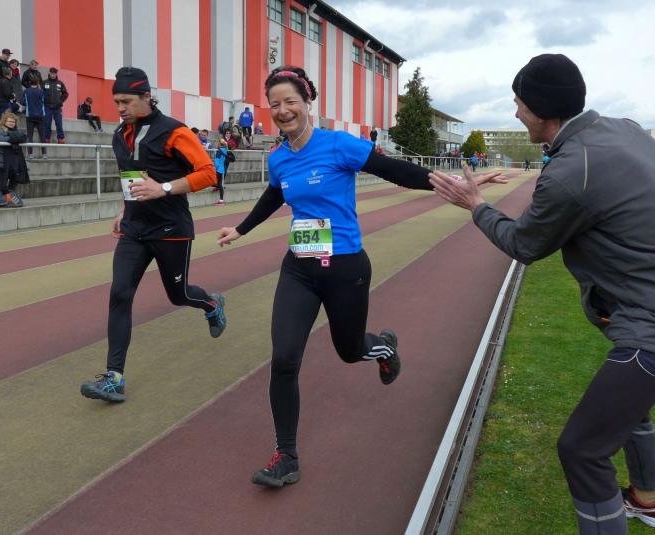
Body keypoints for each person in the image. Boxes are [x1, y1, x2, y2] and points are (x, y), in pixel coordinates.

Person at [429, 53, 655, 535]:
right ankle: (650, 499)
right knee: (626, 408)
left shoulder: (567, 172)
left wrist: (474, 204)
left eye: (519, 104)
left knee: (582, 449)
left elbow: (524, 244)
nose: (516, 113)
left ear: (542, 110)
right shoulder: (627, 129)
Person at [216, 65, 505, 489]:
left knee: (349, 351)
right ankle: (286, 456)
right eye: (274, 104)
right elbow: (274, 195)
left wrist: (458, 185)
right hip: (299, 268)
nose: (282, 110)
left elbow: (397, 170)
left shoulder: (339, 145)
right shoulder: (278, 158)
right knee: (284, 359)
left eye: (290, 101)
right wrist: (241, 229)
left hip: (345, 269)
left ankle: (384, 347)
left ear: (307, 102)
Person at [80, 66, 226, 403]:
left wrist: (163, 188)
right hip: (134, 229)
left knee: (178, 295)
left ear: (146, 96)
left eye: (126, 101)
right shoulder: (120, 134)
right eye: (117, 102)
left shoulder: (174, 132)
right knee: (120, 294)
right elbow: (131, 178)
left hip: (171, 229)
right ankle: (114, 379)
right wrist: (123, 209)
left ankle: (211, 303)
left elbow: (208, 173)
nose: (120, 108)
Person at [0, 111, 29, 202]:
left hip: (14, 160)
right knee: (2, 180)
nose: (11, 123)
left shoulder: (16, 131)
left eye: (13, 122)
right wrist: (12, 139)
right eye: (9, 121)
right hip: (2, 159)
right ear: (4, 121)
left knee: (14, 178)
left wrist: (14, 138)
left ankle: (10, 197)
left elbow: (23, 138)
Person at [22, 77, 47, 159]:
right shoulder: (41, 92)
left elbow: (23, 102)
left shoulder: (26, 91)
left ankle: (30, 155)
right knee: (42, 136)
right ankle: (44, 154)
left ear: (30, 82)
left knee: (30, 136)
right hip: (40, 116)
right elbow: (44, 101)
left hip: (30, 116)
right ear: (37, 83)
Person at [42, 67, 68, 143]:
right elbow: (40, 93)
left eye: (54, 73)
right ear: (49, 73)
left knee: (59, 123)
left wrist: (60, 101)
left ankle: (60, 138)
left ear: (56, 74)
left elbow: (65, 94)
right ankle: (47, 138)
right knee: (47, 123)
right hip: (47, 106)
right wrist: (43, 101)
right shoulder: (44, 82)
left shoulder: (60, 83)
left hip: (57, 107)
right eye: (51, 73)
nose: (53, 75)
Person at [213, 139, 231, 205]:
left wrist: (214, 169)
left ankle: (218, 186)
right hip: (222, 169)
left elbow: (217, 162)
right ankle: (221, 200)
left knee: (210, 182)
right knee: (220, 184)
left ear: (219, 144)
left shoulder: (218, 151)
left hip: (218, 169)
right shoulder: (225, 150)